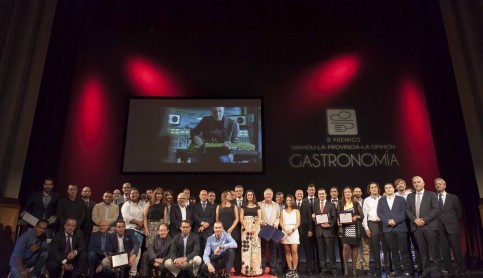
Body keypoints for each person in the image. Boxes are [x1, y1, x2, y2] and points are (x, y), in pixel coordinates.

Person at [406, 176, 441, 278]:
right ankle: (426, 271)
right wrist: (415, 219)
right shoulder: (410, 196)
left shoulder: (431, 194)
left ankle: (438, 270)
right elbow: (408, 210)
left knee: (434, 251)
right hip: (416, 228)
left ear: (423, 183)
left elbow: (435, 209)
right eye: (414, 182)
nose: (416, 184)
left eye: (418, 182)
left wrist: (424, 220)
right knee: (422, 251)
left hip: (429, 226)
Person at [377, 183, 412, 277]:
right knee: (394, 251)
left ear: (393, 189)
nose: (388, 189)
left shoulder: (401, 199)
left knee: (404, 250)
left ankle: (406, 271)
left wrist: (395, 221)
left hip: (400, 227)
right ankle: (397, 271)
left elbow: (404, 212)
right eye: (386, 188)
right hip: (388, 229)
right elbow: (379, 213)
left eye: (390, 187)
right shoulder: (381, 200)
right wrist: (387, 221)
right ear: (384, 190)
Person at [435, 178, 465, 275]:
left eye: (440, 184)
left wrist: (451, 221)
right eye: (436, 184)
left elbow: (459, 213)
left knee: (456, 250)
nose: (438, 186)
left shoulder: (453, 198)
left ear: (444, 185)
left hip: (452, 228)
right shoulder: (433, 198)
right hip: (440, 228)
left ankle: (461, 270)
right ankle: (450, 270)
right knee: (445, 252)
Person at [362, 182, 391, 276]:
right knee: (375, 247)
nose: (374, 189)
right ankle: (377, 269)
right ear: (369, 190)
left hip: (383, 223)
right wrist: (366, 228)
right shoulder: (366, 200)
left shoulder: (383, 198)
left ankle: (388, 269)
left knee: (386, 247)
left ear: (378, 189)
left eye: (375, 187)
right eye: (372, 187)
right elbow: (364, 215)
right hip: (372, 224)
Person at [337, 187, 363, 277]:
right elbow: (338, 216)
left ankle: (354, 270)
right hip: (344, 229)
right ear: (343, 194)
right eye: (345, 192)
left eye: (349, 192)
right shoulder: (340, 203)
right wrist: (338, 221)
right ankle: (346, 270)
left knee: (355, 248)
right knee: (345, 247)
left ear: (351, 193)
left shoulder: (356, 204)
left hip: (354, 228)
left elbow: (362, 216)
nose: (347, 193)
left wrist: (356, 217)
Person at [312, 188, 337, 276]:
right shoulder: (315, 205)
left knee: (331, 251)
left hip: (329, 231)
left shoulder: (331, 205)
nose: (321, 195)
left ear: (326, 194)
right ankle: (323, 268)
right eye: (320, 194)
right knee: (321, 252)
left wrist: (329, 225)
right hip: (319, 231)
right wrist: (314, 218)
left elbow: (334, 217)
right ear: (318, 195)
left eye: (323, 194)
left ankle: (333, 268)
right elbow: (315, 218)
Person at [121, 188, 146, 274]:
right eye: (132, 193)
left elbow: (146, 214)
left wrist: (142, 224)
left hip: (140, 232)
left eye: (136, 193)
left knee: (136, 251)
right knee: (135, 251)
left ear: (139, 194)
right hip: (130, 230)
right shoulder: (126, 204)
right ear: (129, 195)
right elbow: (126, 217)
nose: (134, 195)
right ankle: (132, 272)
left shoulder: (142, 203)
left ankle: (131, 272)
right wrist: (138, 222)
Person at [239, 190, 263, 276]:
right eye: (248, 195)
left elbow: (260, 218)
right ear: (246, 196)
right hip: (245, 229)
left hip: (255, 229)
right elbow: (241, 218)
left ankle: (256, 270)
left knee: (256, 249)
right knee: (246, 250)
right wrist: (247, 228)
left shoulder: (257, 206)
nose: (250, 196)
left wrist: (255, 228)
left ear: (253, 196)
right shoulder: (243, 206)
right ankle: (246, 270)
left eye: (251, 195)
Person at [258, 188, 281, 275]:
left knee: (273, 251)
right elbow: (257, 217)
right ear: (264, 195)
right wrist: (262, 223)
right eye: (267, 194)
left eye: (270, 194)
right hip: (263, 229)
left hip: (273, 230)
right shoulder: (259, 204)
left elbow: (278, 217)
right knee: (262, 251)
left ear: (272, 195)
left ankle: (273, 270)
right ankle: (262, 269)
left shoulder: (276, 205)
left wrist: (275, 224)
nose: (268, 196)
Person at [295, 188, 315, 275]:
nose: (299, 195)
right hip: (295, 231)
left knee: (308, 250)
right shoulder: (292, 204)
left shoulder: (307, 205)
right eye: (298, 194)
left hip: (306, 231)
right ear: (295, 195)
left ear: (303, 195)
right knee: (296, 251)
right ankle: (296, 267)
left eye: (301, 194)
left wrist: (310, 230)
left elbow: (310, 219)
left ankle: (309, 268)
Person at [280, 194, 301, 277]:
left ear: (293, 201)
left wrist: (292, 230)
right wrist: (285, 230)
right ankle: (290, 269)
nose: (288, 202)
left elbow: (298, 222)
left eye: (290, 200)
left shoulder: (296, 211)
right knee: (287, 251)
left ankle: (295, 270)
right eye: (287, 200)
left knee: (294, 251)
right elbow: (281, 221)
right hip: (285, 231)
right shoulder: (282, 211)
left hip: (294, 231)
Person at [353, 186, 370, 276]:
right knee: (356, 248)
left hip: (365, 227)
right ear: (353, 193)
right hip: (355, 227)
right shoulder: (351, 203)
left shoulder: (365, 201)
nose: (358, 193)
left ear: (361, 193)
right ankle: (358, 267)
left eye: (359, 191)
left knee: (366, 248)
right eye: (356, 191)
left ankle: (366, 267)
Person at [192, 189, 216, 254]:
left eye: (205, 195)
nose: (204, 196)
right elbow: (195, 217)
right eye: (202, 195)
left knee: (208, 248)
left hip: (208, 230)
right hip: (197, 230)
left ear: (207, 196)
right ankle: (198, 263)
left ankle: (206, 263)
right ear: (199, 196)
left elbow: (212, 218)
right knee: (197, 248)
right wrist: (202, 223)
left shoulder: (212, 206)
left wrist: (205, 226)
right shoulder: (195, 206)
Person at [304, 183, 319, 274]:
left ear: (315, 190)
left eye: (313, 190)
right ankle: (310, 268)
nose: (311, 191)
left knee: (319, 250)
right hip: (307, 230)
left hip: (318, 229)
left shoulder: (319, 200)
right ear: (307, 191)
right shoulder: (303, 201)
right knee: (308, 250)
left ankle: (319, 268)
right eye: (310, 190)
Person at [329, 186, 344, 273]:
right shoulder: (326, 203)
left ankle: (343, 266)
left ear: (338, 193)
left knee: (342, 247)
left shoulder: (342, 202)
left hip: (341, 227)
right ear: (330, 193)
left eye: (335, 191)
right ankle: (332, 267)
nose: (334, 193)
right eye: (332, 191)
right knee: (331, 248)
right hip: (330, 227)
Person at [231, 184, 244, 275]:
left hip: (245, 228)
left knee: (245, 249)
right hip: (234, 228)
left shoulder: (247, 201)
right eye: (237, 191)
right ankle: (237, 269)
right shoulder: (231, 202)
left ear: (243, 191)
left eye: (240, 191)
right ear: (234, 193)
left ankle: (246, 269)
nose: (238, 192)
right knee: (236, 248)